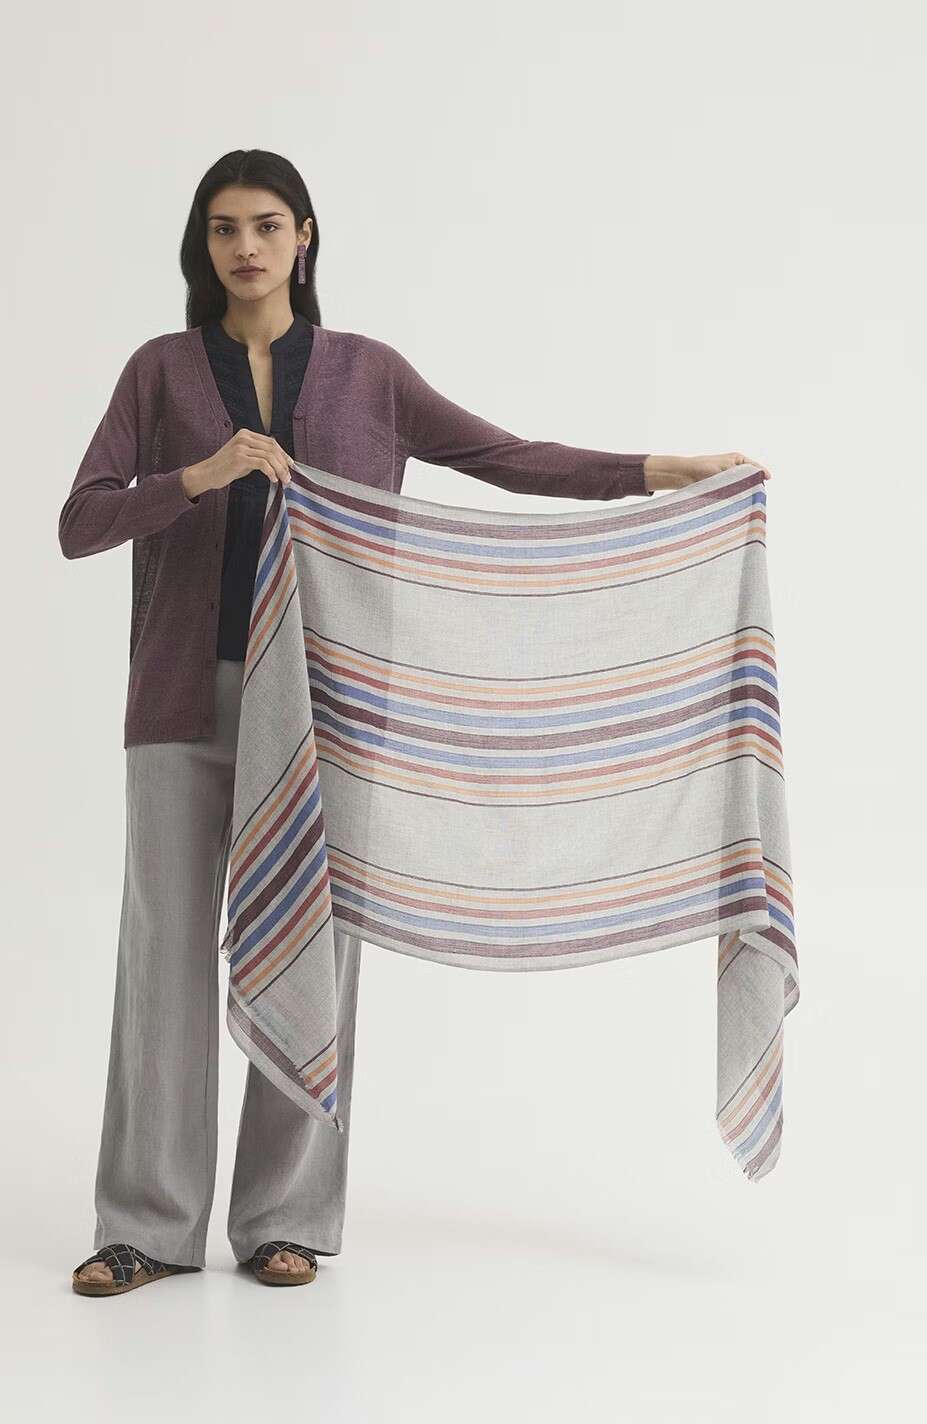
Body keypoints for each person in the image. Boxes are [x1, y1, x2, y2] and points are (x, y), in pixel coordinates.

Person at [62, 149, 772, 1297]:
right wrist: (200, 474)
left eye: (267, 225)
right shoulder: (160, 373)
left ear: (305, 237)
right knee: (162, 962)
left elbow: (504, 457)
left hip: (333, 708)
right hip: (185, 702)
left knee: (316, 948)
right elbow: (81, 520)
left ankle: (285, 1217)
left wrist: (655, 470)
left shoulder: (369, 376)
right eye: (224, 228)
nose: (245, 247)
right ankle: (145, 1222)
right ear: (204, 245)